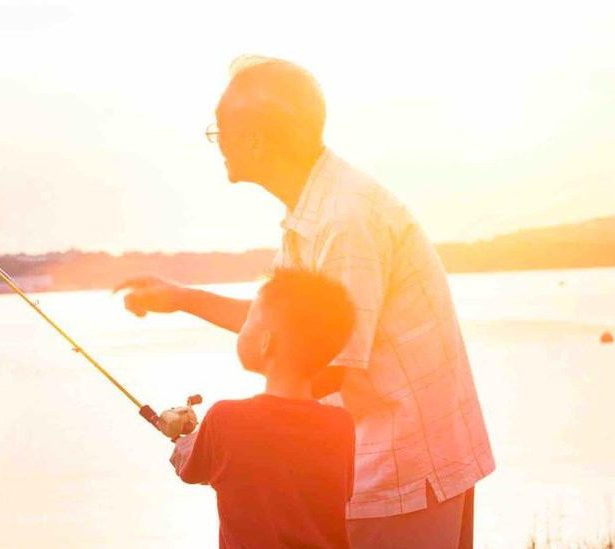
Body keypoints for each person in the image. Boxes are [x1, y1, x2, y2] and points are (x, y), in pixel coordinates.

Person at [115, 55, 494, 548]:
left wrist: (223, 438)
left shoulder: (344, 220)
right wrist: (182, 298)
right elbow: (289, 329)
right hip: (372, 466)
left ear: (256, 139)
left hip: (402, 470)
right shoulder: (315, 211)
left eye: (220, 129)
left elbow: (329, 366)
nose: (217, 141)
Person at [157, 268, 357, 549]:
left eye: (249, 319)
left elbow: (190, 470)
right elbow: (339, 492)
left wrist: (184, 441)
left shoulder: (225, 418)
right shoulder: (341, 424)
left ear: (266, 342)